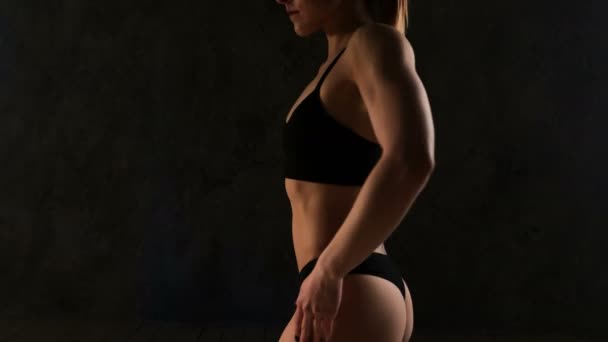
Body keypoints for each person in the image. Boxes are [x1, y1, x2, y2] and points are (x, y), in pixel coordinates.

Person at [275, 0, 435, 341]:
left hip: (351, 286)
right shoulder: (339, 62)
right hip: (352, 286)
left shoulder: (372, 43)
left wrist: (330, 270)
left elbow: (412, 157)